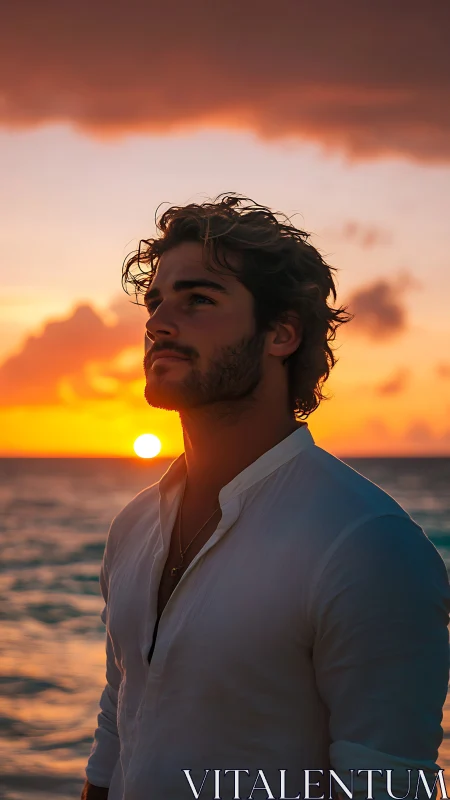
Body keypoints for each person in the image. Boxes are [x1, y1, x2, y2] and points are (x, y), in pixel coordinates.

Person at [82, 194, 450, 800]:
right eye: (155, 302)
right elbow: (117, 730)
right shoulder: (134, 525)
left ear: (281, 334)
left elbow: (386, 784)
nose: (158, 322)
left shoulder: (368, 545)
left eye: (198, 299)